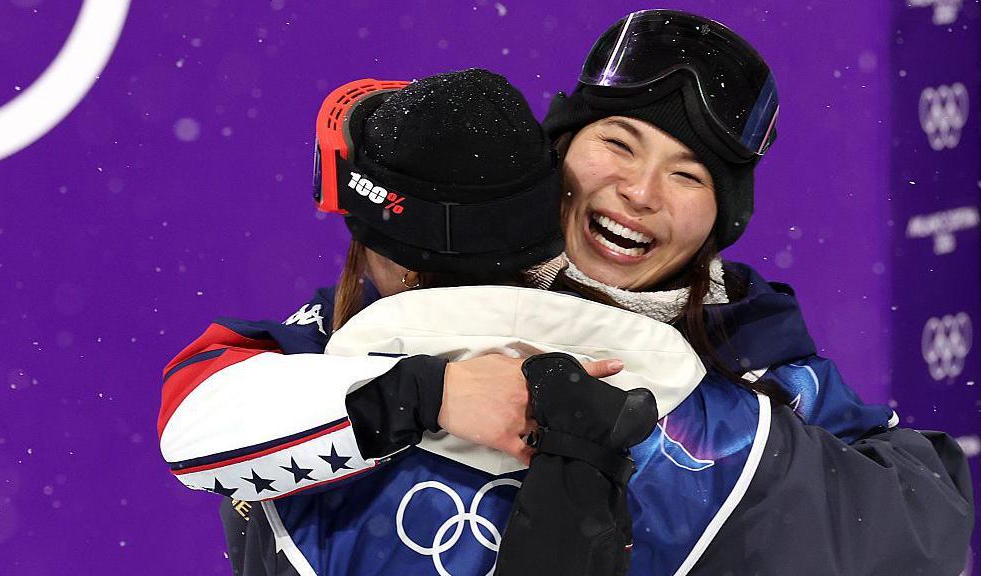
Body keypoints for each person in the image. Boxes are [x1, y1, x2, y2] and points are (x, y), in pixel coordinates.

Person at [158, 10, 974, 576]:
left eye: (687, 175)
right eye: (617, 142)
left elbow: (923, 524)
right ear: (562, 150)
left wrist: (668, 436)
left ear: (720, 221)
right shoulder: (432, 281)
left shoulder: (755, 348)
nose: (639, 191)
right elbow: (199, 412)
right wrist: (430, 392)